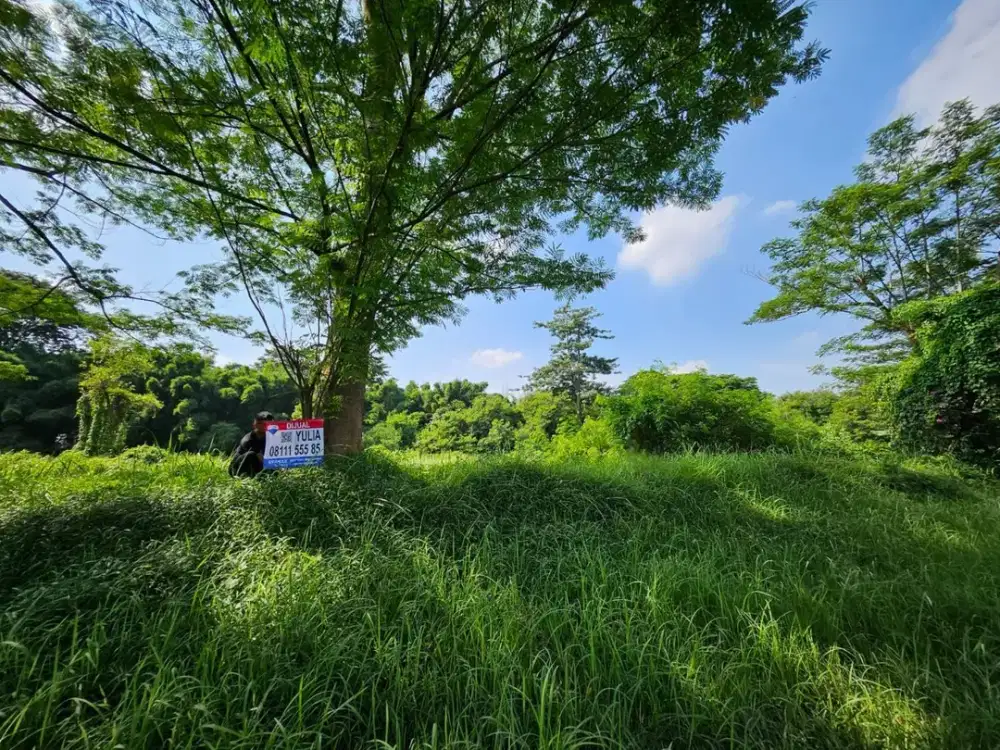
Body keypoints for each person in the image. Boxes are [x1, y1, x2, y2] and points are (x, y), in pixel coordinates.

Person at [229, 411, 274, 478]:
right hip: (237, 468)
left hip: (258, 465)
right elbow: (260, 458)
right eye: (259, 423)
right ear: (254, 424)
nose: (263, 426)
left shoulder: (272, 437)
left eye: (266, 423)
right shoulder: (248, 440)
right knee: (251, 454)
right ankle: (242, 479)